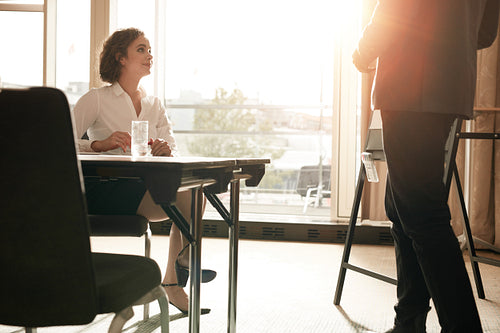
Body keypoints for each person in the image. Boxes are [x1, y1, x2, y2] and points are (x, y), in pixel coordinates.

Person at [352, 1, 500, 332]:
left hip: (407, 88)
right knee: (403, 208)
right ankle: (409, 320)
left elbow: (393, 12)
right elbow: (486, 33)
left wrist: (363, 52)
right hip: (449, 89)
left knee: (422, 215)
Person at [73, 28, 216, 315]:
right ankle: (184, 264)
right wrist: (99, 144)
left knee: (194, 196)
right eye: (141, 49)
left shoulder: (154, 104)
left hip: (144, 187)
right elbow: (60, 140)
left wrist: (165, 149)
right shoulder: (96, 98)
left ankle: (174, 280)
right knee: (191, 199)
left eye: (150, 50)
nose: (149, 55)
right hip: (106, 189)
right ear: (120, 57)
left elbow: (173, 147)